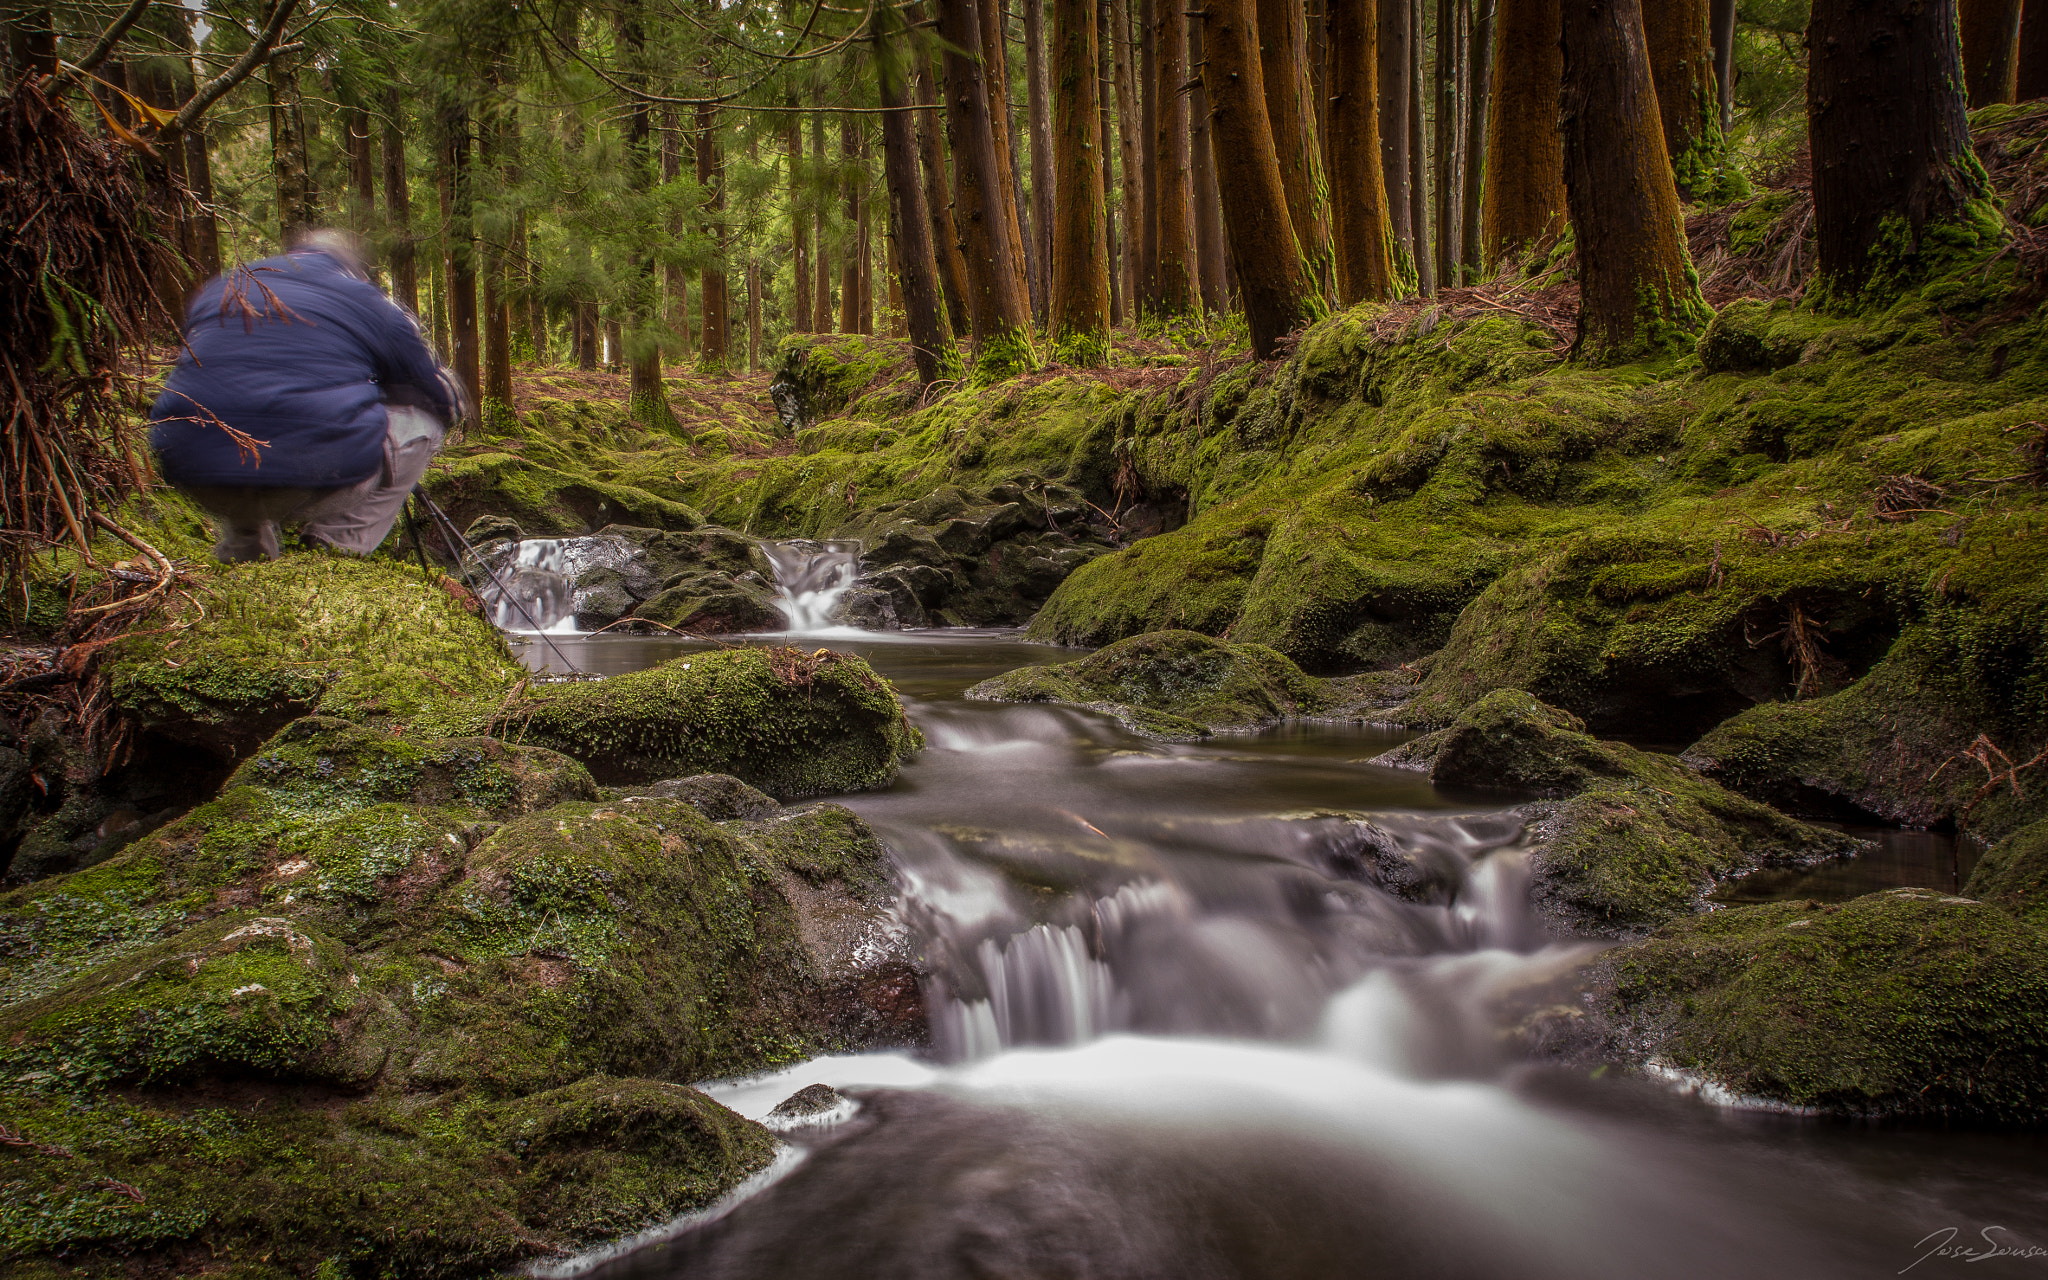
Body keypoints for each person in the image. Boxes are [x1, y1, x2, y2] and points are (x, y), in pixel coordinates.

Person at [150, 229, 468, 562]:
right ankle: (333, 551)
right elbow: (443, 393)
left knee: (238, 418)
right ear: (350, 267)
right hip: (314, 472)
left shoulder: (223, 286)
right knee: (426, 424)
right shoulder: (366, 298)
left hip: (191, 464)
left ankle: (248, 548)